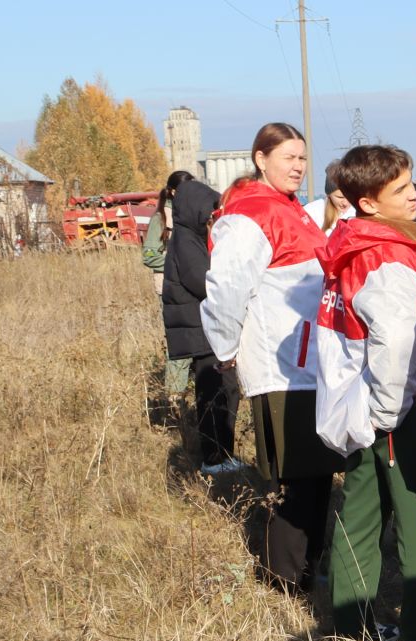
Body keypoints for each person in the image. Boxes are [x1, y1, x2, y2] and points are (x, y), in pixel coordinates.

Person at [313, 143, 416, 641]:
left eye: (411, 184)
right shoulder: (390, 257)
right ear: (369, 202)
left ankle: (352, 627)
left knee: (359, 512)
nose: (414, 195)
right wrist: (387, 412)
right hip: (399, 411)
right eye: (400, 189)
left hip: (360, 407)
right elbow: (398, 338)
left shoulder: (348, 247)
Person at [203, 122, 342, 590]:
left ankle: (307, 566)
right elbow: (225, 289)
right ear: (261, 159)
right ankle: (284, 578)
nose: (298, 167)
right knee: (298, 477)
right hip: (283, 368)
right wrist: (225, 349)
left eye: (302, 158)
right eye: (289, 158)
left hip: (310, 362)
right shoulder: (250, 216)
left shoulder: (290, 209)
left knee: (317, 474)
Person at [161, 175, 244, 475]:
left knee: (226, 390)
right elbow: (203, 282)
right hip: (201, 328)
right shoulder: (186, 240)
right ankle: (213, 458)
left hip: (206, 326)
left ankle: (223, 454)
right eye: (209, 212)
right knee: (212, 392)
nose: (213, 217)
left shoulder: (191, 236)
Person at [146, 170, 193, 398]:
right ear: (173, 192)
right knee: (180, 343)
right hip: (169, 289)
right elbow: (149, 255)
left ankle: (193, 392)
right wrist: (176, 262)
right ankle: (176, 397)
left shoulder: (194, 214)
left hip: (194, 288)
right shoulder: (161, 219)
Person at [303, 163, 354, 231]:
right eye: (340, 197)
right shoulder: (312, 211)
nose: (345, 203)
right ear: (328, 194)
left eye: (350, 196)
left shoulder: (358, 212)